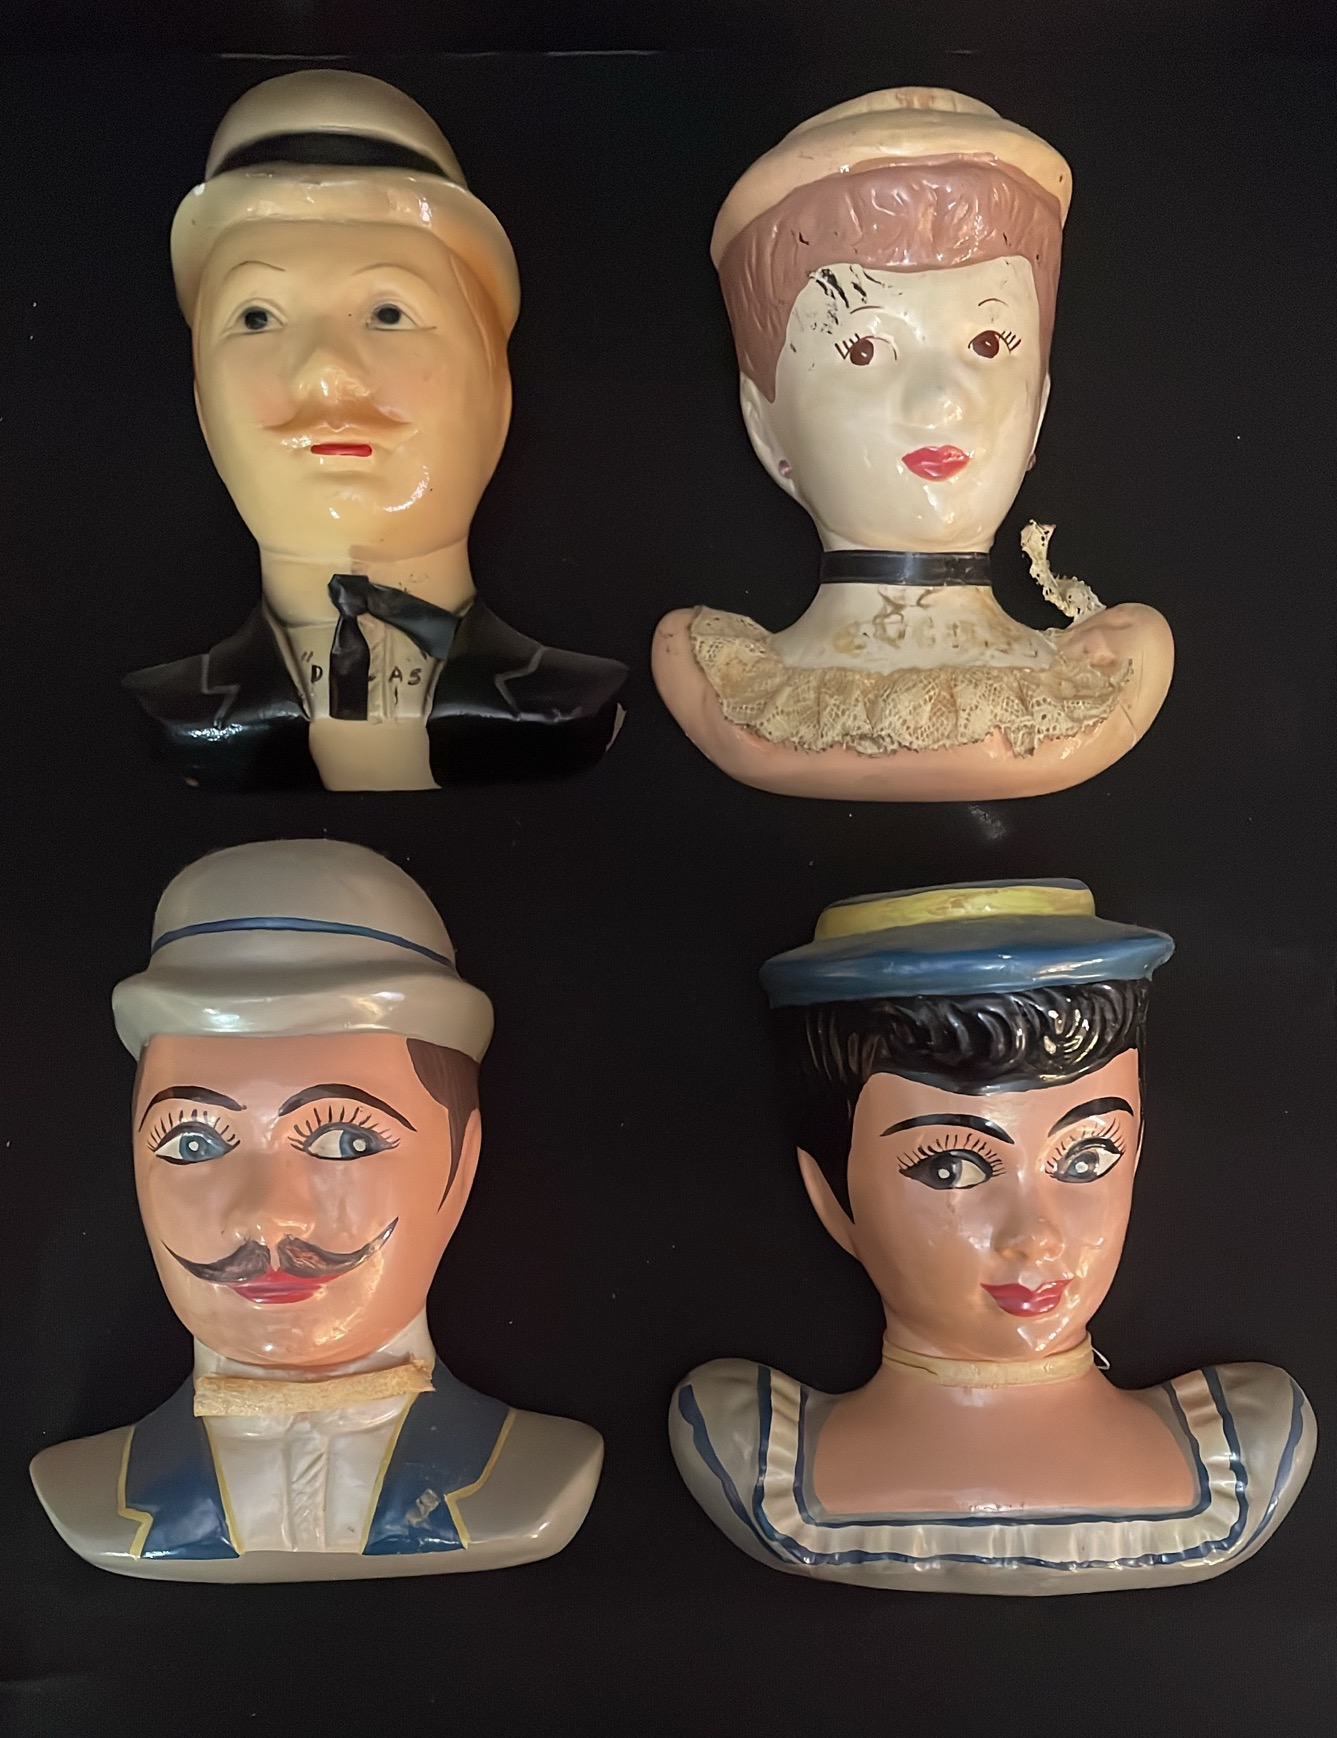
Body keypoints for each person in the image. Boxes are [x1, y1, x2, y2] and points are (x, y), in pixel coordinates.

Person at [670, 880, 1315, 1593]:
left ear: (1136, 1156)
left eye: (1086, 1157)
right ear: (831, 1194)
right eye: (950, 1168)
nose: (1035, 1237)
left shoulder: (1242, 1452)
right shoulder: (754, 1454)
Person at [30, 839, 603, 1581]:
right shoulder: (98, 1495)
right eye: (194, 1142)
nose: (268, 1220)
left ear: (459, 1165)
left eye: (344, 1140)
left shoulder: (524, 1481)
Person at [653, 88, 1173, 801]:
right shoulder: (721, 684)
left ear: (1038, 408)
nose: (939, 401)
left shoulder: (1106, 677)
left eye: (988, 344)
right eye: (864, 350)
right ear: (766, 424)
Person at [126, 71, 626, 792]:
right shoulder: (178, 711)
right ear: (203, 406)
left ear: (498, 391)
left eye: (389, 314)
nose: (325, 375)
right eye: (257, 318)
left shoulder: (566, 704)